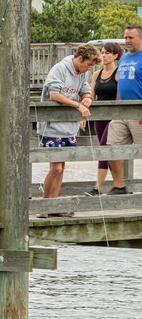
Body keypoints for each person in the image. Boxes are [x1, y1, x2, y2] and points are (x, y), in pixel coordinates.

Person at [36, 44, 99, 216]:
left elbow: (86, 90)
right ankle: (44, 206)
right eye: (89, 64)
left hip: (69, 127)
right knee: (55, 168)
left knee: (62, 167)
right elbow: (54, 94)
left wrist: (87, 99)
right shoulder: (60, 69)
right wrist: (78, 105)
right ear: (80, 58)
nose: (90, 68)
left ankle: (55, 206)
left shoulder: (82, 73)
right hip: (51, 127)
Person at [108, 25, 142, 195]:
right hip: (121, 110)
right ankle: (119, 185)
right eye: (125, 37)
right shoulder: (124, 58)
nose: (127, 41)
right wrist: (115, 106)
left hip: (138, 110)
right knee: (112, 146)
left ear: (140, 38)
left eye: (131, 37)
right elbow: (120, 83)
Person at [85, 42, 121, 196]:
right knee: (106, 151)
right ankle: (119, 186)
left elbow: (120, 98)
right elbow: (91, 96)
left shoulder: (119, 73)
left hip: (112, 118)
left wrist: (117, 117)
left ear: (115, 56)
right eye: (103, 52)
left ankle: (97, 187)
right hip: (99, 118)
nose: (104, 55)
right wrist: (84, 114)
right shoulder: (96, 74)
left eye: (108, 53)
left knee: (104, 149)